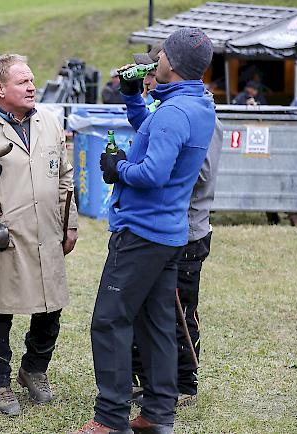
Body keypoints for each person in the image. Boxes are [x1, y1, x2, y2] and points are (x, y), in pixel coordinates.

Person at [72, 28, 215, 434]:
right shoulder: (196, 105)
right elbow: (152, 125)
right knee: (155, 325)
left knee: (109, 321)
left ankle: (111, 419)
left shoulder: (175, 113)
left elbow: (152, 173)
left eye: (163, 53)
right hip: (167, 233)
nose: (158, 58)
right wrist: (134, 96)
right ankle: (156, 415)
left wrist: (117, 168)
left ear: (172, 61)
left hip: (141, 233)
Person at [0, 54, 78, 416]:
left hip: (47, 233)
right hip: (0, 240)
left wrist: (69, 224)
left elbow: (65, 177)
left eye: (32, 80)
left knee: (50, 308)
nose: (31, 86)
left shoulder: (50, 123)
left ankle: (34, 369)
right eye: (23, 81)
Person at [127, 46, 224, 409]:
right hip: (157, 227)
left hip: (187, 231)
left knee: (179, 311)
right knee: (143, 307)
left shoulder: (202, 115)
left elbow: (200, 174)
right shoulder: (166, 110)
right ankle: (144, 378)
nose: (147, 82)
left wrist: (158, 165)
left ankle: (185, 382)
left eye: (151, 74)